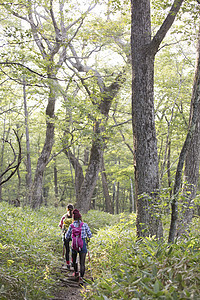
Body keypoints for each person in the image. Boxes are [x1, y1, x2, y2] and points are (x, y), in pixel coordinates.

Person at [65, 209, 92, 286]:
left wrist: (71, 238)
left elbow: (67, 236)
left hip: (74, 244)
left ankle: (76, 273)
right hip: (82, 244)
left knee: (74, 260)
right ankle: (81, 278)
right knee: (82, 263)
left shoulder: (71, 226)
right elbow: (90, 235)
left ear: (73, 218)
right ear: (80, 217)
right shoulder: (84, 225)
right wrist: (86, 237)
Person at [59, 204, 74, 269]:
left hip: (66, 234)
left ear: (67, 209)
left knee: (67, 250)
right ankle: (73, 262)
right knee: (73, 249)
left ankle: (68, 263)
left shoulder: (64, 216)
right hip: (73, 234)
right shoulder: (74, 217)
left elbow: (60, 225)